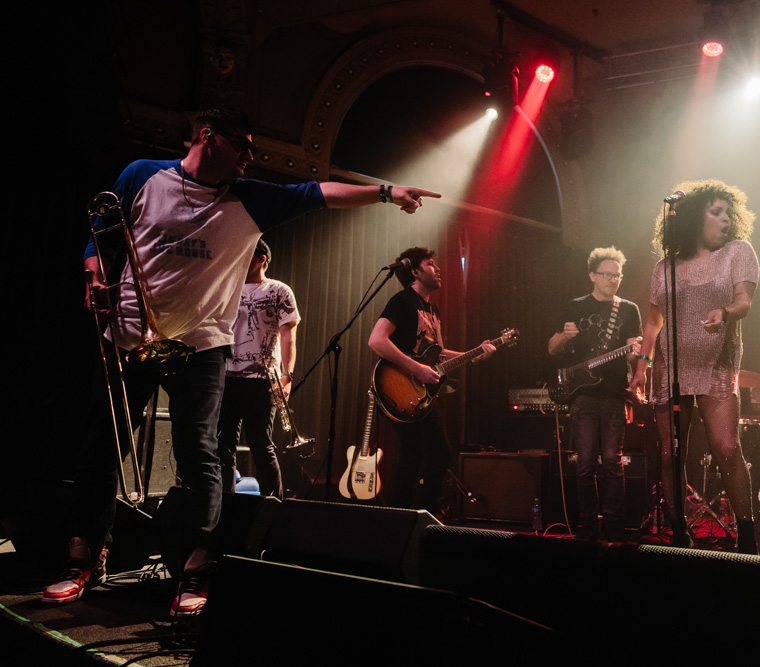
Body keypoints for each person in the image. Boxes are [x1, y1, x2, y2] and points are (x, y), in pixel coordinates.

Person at [45, 107, 439, 616]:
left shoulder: (251, 197)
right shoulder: (142, 175)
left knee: (200, 456)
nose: (251, 156)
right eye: (243, 144)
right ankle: (83, 557)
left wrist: (387, 193)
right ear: (207, 136)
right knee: (100, 448)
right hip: (130, 334)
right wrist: (94, 276)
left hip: (203, 344)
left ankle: (197, 567)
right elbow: (101, 232)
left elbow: (320, 193)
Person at [628, 180, 759, 553]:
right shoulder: (664, 268)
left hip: (715, 363)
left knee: (726, 447)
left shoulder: (738, 251)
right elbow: (654, 321)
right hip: (669, 367)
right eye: (716, 211)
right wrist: (642, 363)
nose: (726, 219)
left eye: (729, 212)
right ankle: (677, 534)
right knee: (671, 454)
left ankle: (747, 537)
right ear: (689, 217)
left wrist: (726, 312)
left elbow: (744, 301)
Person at [368, 247, 494, 515]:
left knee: (439, 451)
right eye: (431, 264)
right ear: (415, 271)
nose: (438, 269)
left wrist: (474, 354)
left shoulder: (432, 310)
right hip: (398, 385)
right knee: (414, 451)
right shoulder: (402, 301)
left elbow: (438, 353)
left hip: (422, 391)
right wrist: (417, 369)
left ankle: (424, 514)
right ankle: (400, 515)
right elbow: (377, 340)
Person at [548, 247, 641, 541]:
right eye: (607, 274)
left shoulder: (628, 309)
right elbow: (552, 348)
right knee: (585, 461)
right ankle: (587, 525)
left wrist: (637, 353)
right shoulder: (575, 306)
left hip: (615, 392)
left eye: (617, 275)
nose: (614, 279)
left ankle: (614, 525)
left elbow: (633, 350)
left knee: (612, 460)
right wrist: (564, 337)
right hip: (582, 395)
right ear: (592, 275)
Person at [217, 239, 298, 499]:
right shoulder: (227, 288)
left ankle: (273, 508)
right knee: (222, 446)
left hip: (261, 379)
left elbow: (288, 336)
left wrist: (287, 375)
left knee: (261, 445)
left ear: (262, 258)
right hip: (226, 375)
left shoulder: (279, 290)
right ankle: (225, 507)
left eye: (247, 253)